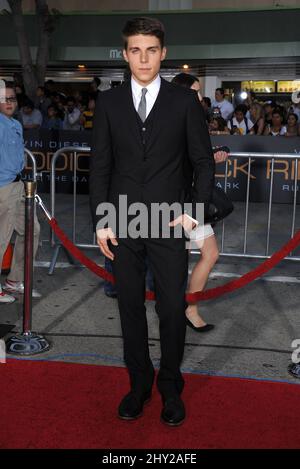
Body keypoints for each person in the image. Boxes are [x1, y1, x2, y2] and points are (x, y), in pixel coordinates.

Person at [89, 17, 215, 426]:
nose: (143, 58)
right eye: (135, 50)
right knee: (128, 306)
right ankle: (139, 384)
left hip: (168, 221)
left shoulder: (183, 103)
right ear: (125, 54)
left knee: (172, 308)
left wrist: (194, 212)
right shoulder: (108, 103)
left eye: (151, 50)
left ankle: (170, 387)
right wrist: (101, 219)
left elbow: (202, 162)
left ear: (163, 53)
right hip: (122, 220)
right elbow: (101, 166)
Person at [171, 72, 228, 332]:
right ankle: (182, 309)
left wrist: (208, 158)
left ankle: (189, 308)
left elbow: (194, 159)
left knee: (208, 253)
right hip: (177, 201)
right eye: (195, 91)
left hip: (193, 200)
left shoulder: (193, 118)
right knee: (178, 259)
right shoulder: (172, 120)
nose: (199, 96)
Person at [0, 81, 41, 303]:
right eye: (3, 98)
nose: (9, 102)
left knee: (32, 231)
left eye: (12, 98)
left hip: (18, 186)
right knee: (1, 237)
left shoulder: (15, 124)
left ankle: (15, 280)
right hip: (2, 187)